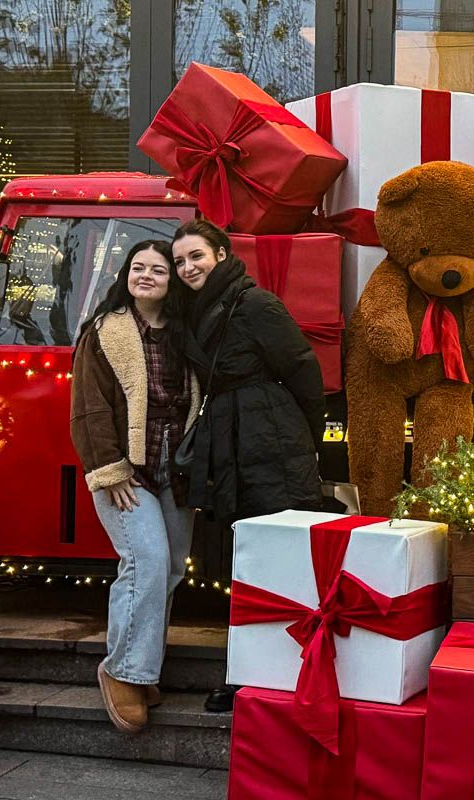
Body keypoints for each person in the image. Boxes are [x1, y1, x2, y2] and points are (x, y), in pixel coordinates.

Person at [171, 219, 325, 711]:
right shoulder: (194, 308)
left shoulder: (255, 303)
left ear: (221, 253)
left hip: (270, 440)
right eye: (180, 261)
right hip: (230, 443)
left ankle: (273, 677)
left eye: (196, 255)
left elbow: (302, 369)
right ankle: (250, 673)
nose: (187, 267)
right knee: (245, 562)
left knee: (275, 562)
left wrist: (308, 442)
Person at [70, 240, 201, 734]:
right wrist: (109, 469)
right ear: (126, 274)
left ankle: (142, 666)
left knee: (169, 569)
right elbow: (89, 408)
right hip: (128, 471)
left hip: (176, 469)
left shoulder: (186, 333)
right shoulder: (104, 332)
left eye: (158, 270)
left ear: (172, 281)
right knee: (145, 560)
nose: (146, 275)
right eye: (138, 267)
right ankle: (122, 671)